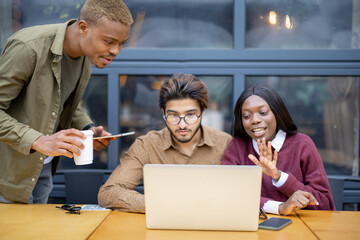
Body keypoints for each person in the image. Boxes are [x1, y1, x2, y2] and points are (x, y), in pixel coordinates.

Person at [0, 0, 133, 204]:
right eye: (109, 41)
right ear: (83, 28)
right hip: (9, 174)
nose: (116, 51)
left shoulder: (85, 54)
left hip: (42, 168)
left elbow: (60, 101)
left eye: (121, 43)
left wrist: (87, 128)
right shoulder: (28, 48)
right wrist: (39, 141)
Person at [98, 73, 232, 213]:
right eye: (173, 115)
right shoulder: (147, 145)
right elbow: (108, 192)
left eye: (190, 115)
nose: (182, 125)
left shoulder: (225, 143)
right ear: (163, 113)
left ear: (203, 112)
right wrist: (160, 205)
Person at [222, 84, 335, 215]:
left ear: (277, 112)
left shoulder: (302, 144)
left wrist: (279, 176)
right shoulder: (237, 146)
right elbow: (228, 195)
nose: (255, 120)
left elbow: (324, 204)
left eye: (263, 113)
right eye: (246, 116)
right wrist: (280, 207)